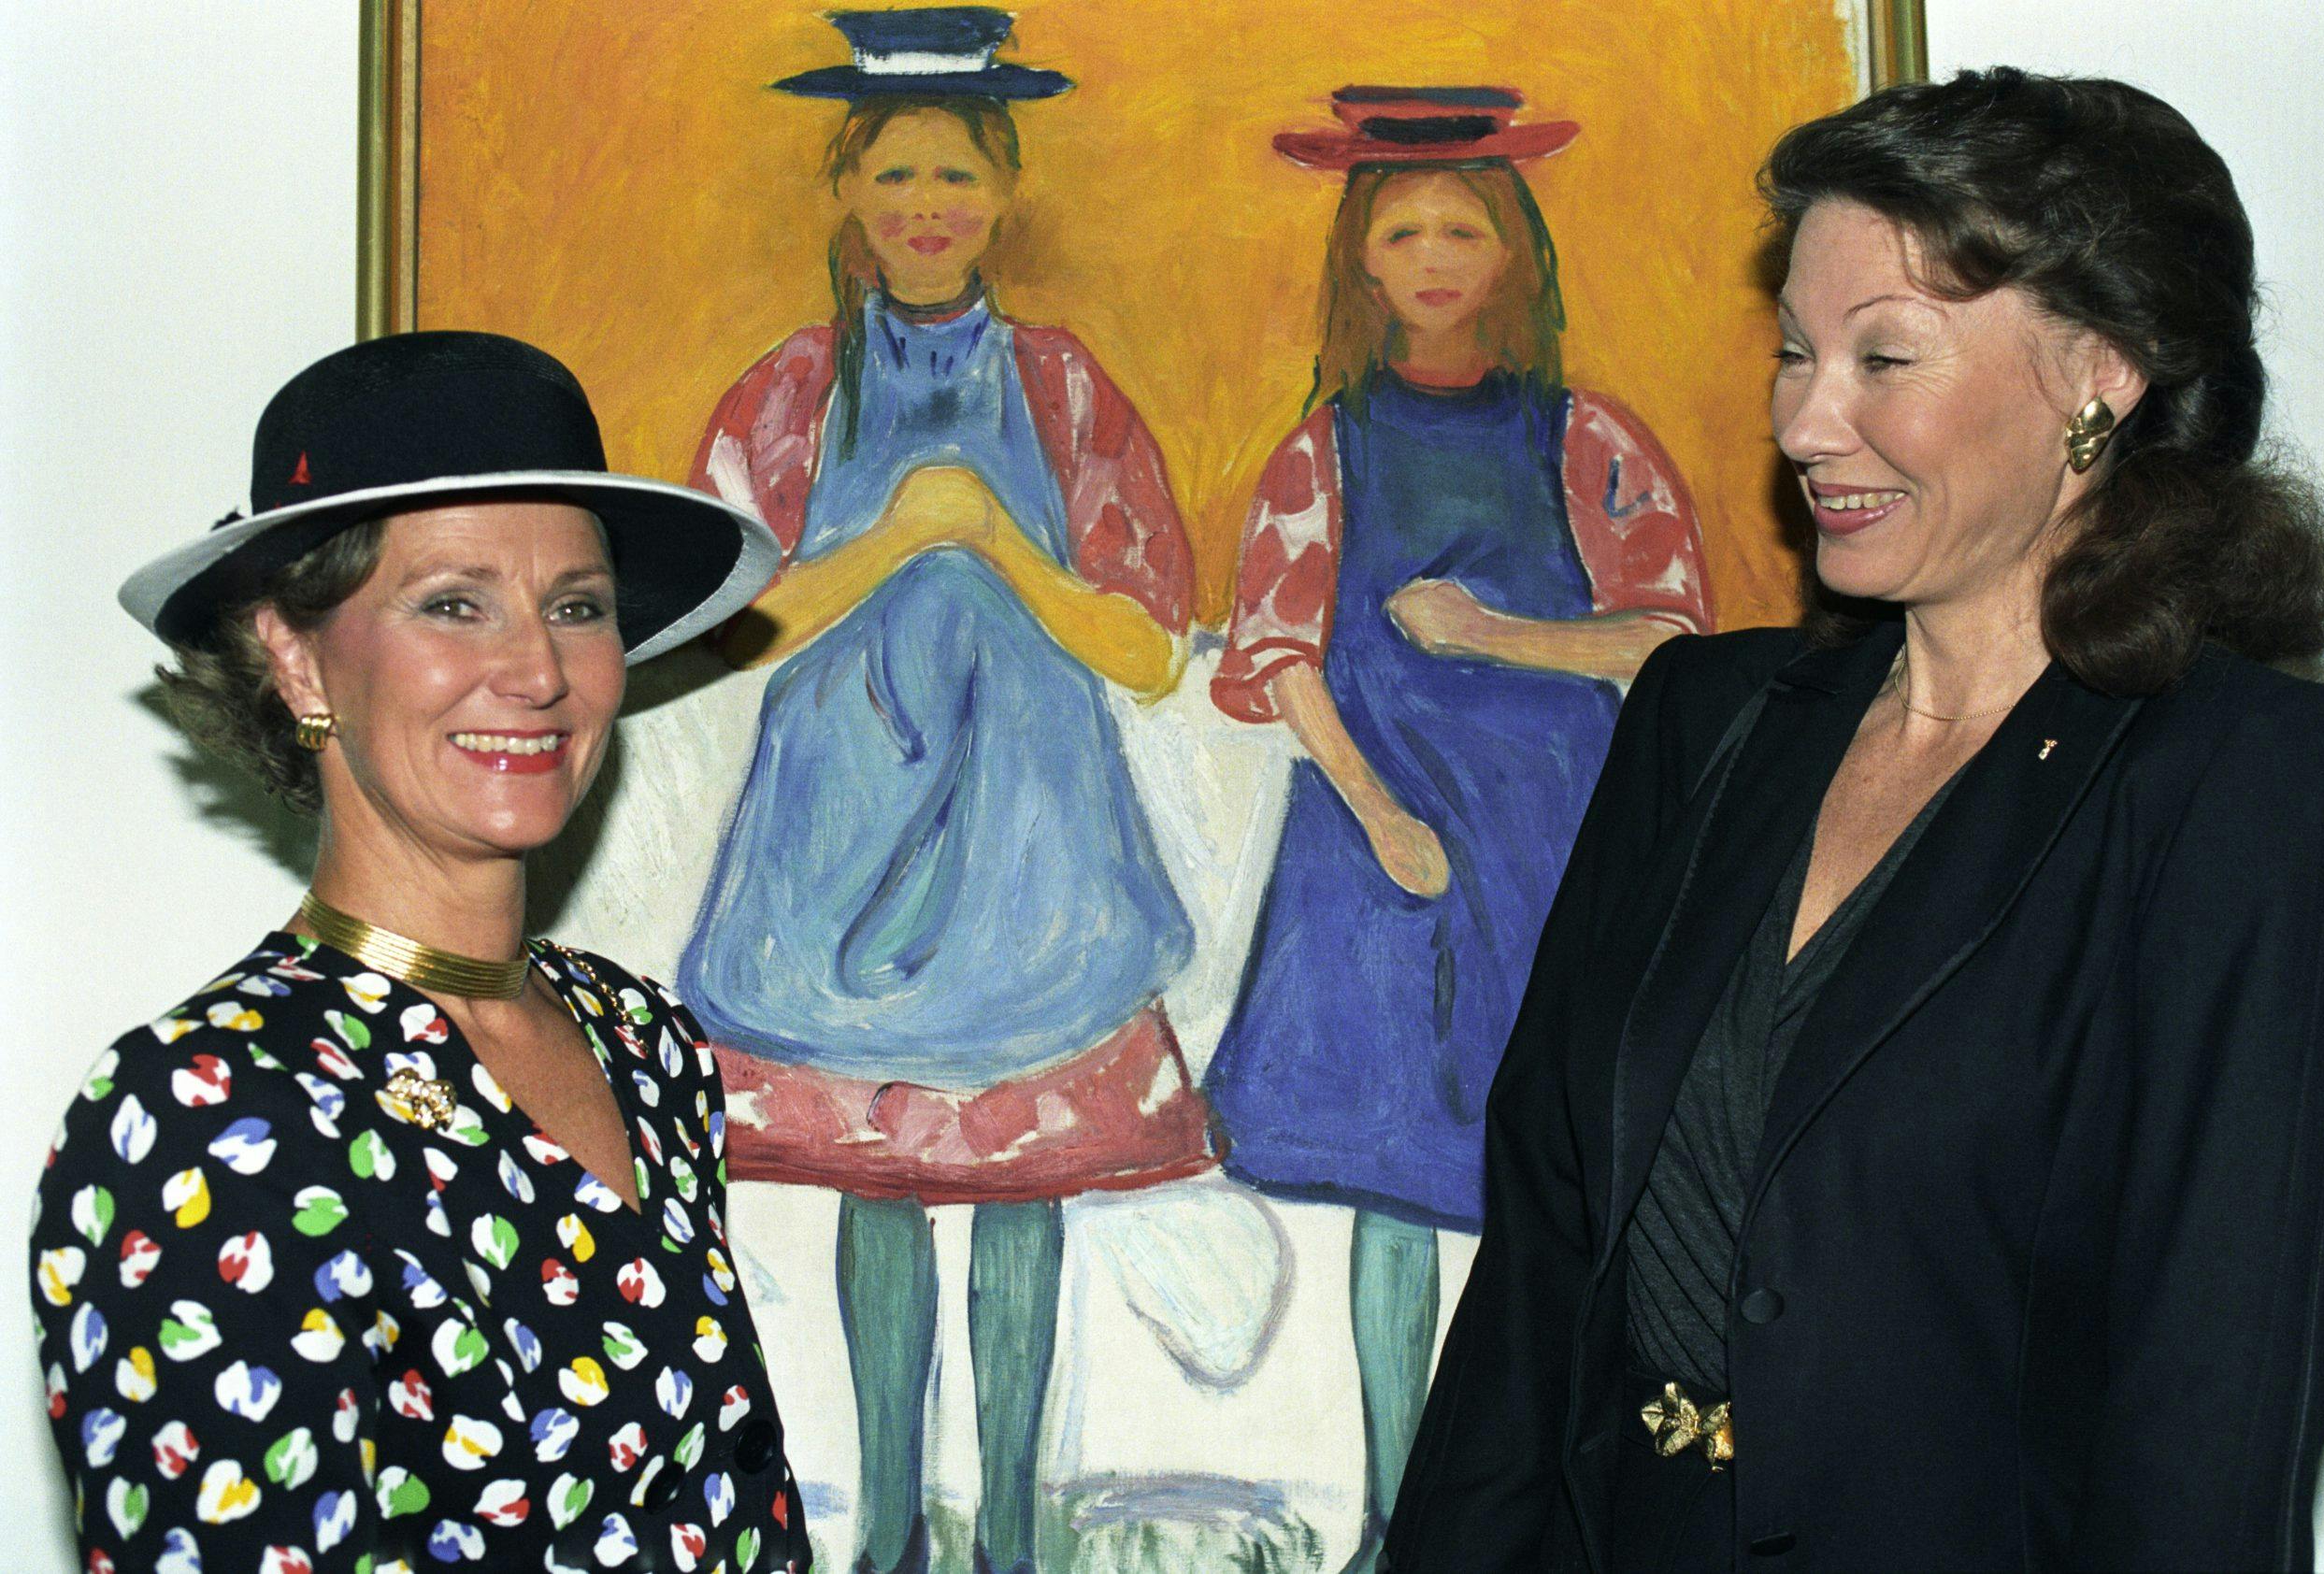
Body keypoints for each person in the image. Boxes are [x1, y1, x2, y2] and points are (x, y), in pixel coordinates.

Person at [1384, 67, 2324, 1573]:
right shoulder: (1700, 722)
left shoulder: (2249, 783)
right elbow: (1535, 1286)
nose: (1804, 419)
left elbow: (2211, 1420)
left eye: (1885, 356)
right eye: (1796, 351)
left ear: (2102, 376)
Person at [32, 331, 810, 1569]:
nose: (539, 670)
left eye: (577, 607)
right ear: (295, 657)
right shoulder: (207, 1114)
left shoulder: (642, 1040)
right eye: (455, 604)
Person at [672, 11, 1212, 1573]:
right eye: (897, 174)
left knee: (1023, 1180)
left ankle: (1018, 1535)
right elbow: (718, 630)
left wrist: (998, 540)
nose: (927, 206)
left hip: (1030, 850)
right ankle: (895, 1526)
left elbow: (1150, 646)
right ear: (849, 189)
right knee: (884, 1183)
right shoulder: (787, 394)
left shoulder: (1065, 388)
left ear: (1004, 193)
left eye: (957, 176)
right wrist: (898, 536)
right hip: (840, 848)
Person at [1203, 87, 1712, 1574]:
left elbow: (1668, 642)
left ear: (1512, 255)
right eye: (1403, 233)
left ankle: (1551, 1515)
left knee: (1553, 1183)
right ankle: (1395, 1515)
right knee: (1393, 1184)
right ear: (1362, 264)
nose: (1432, 258)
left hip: (1556, 850)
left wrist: (1495, 633)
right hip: (1377, 857)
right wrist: (1383, 819)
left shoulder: (1587, 437)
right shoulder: (1325, 448)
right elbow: (1279, 655)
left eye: (1461, 230)